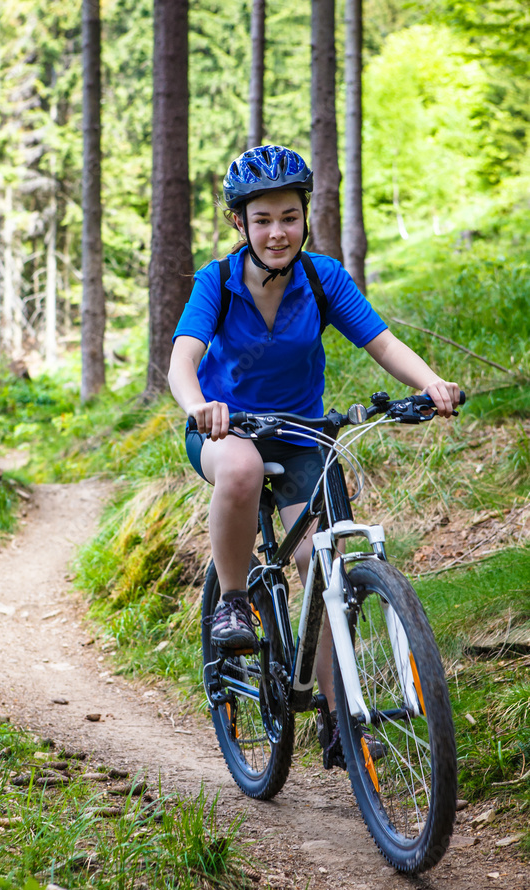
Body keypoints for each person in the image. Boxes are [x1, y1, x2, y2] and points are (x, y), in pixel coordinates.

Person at [167, 144, 460, 767]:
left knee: (321, 564)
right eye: (263, 219)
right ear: (240, 224)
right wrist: (200, 405)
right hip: (224, 429)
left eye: (289, 217)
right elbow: (183, 359)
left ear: (306, 218)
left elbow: (382, 344)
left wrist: (429, 383)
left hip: (302, 433)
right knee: (242, 468)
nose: (278, 232)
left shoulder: (323, 279)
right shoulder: (216, 282)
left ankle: (338, 714)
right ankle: (232, 602)